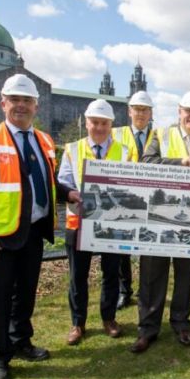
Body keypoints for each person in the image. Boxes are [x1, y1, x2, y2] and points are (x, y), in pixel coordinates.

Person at [0, 74, 74, 379]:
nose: (21, 106)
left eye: (27, 101)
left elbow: (47, 181)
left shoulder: (44, 140)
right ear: (3, 103)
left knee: (25, 294)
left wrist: (69, 194)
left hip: (34, 231)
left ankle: (21, 341)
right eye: (15, 100)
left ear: (36, 105)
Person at [130, 90, 190, 353]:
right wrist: (180, 162)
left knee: (185, 276)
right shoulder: (161, 135)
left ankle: (181, 323)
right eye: (188, 111)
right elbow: (146, 163)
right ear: (179, 112)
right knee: (151, 275)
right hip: (158, 219)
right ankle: (147, 329)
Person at [60, 99, 133, 346]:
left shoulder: (125, 151)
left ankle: (109, 319)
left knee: (111, 273)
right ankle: (78, 323)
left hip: (112, 223)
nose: (99, 127)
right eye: (95, 122)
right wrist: (72, 195)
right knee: (77, 276)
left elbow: (132, 185)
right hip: (78, 222)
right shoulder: (72, 149)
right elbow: (64, 183)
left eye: (104, 123)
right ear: (86, 122)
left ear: (111, 124)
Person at [111, 91, 155, 310]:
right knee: (122, 248)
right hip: (125, 198)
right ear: (129, 111)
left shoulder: (160, 136)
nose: (141, 113)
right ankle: (124, 290)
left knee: (149, 246)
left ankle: (145, 291)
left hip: (151, 199)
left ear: (151, 113)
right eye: (137, 109)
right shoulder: (116, 135)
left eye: (145, 109)